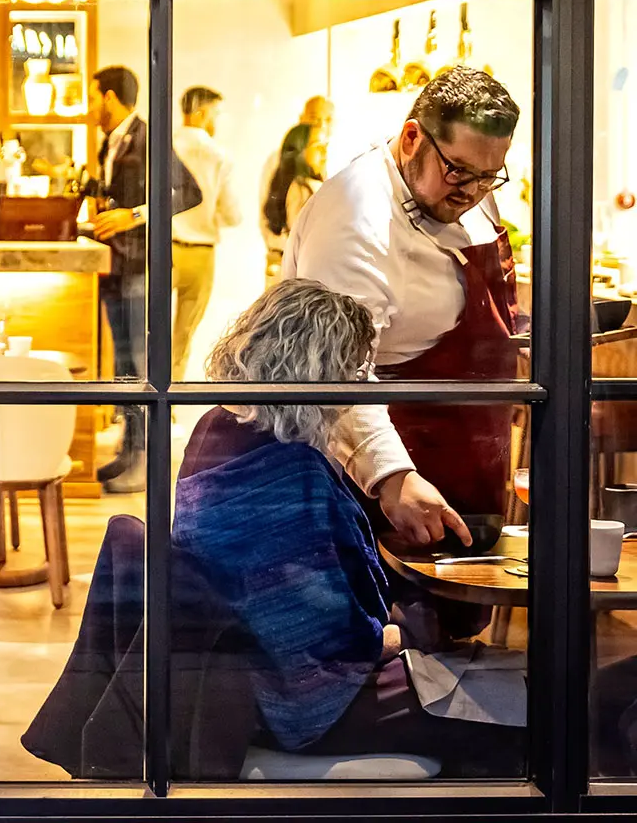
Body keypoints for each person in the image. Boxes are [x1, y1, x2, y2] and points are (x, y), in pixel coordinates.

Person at [173, 279, 527, 777]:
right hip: (313, 704)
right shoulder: (286, 471)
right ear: (320, 374)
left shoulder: (217, 426)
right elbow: (337, 645)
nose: (362, 387)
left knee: (508, 677)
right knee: (530, 709)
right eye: (357, 370)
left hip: (270, 682)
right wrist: (409, 630)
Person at [282, 66, 522, 550]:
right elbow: (338, 371)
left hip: (467, 448)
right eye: (458, 171)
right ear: (412, 137)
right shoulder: (356, 221)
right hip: (393, 465)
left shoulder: (463, 190)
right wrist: (391, 477)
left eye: (488, 177)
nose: (473, 192)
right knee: (392, 614)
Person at [85, 66, 203, 493]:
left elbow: (189, 192)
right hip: (115, 266)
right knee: (123, 365)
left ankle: (146, 463)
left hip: (139, 267)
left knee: (140, 364)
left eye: (93, 94)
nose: (90, 103)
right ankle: (128, 452)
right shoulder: (109, 142)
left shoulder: (147, 135)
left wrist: (132, 215)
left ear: (111, 97)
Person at [170, 86, 242, 382]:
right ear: (201, 112)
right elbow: (231, 213)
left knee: (151, 330)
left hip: (163, 247)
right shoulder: (218, 155)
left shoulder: (164, 145)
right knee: (184, 333)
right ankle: (169, 403)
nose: (217, 121)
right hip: (201, 252)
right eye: (216, 113)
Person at [260, 123, 326, 285]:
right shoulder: (302, 188)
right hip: (297, 274)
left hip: (280, 266)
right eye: (318, 147)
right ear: (300, 150)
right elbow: (304, 240)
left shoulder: (288, 183)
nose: (324, 153)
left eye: (326, 147)